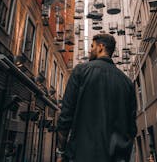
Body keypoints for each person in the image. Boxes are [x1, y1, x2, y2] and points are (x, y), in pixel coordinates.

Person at [56, 33, 137, 162]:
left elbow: (65, 116)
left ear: (100, 47)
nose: (90, 50)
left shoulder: (80, 71)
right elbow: (131, 128)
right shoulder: (127, 82)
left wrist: (61, 152)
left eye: (92, 46)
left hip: (81, 155)